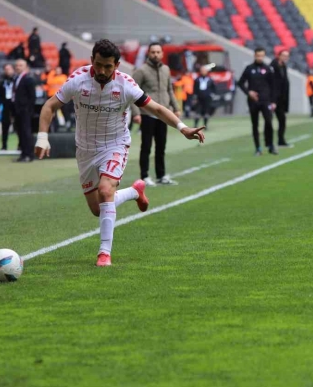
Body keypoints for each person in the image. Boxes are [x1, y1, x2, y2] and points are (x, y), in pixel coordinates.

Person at [34, 39, 205, 267]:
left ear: (117, 64)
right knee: (98, 209)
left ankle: (104, 253)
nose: (102, 71)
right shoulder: (78, 80)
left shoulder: (126, 85)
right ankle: (135, 192)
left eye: (108, 66)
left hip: (115, 145)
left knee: (106, 191)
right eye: (98, 65)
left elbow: (155, 108)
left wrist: (183, 128)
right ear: (92, 60)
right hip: (85, 149)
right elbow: (49, 106)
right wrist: (42, 138)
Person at [130, 42, 181, 187]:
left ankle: (161, 175)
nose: (156, 55)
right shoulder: (141, 71)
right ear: (148, 54)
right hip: (147, 113)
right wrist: (136, 113)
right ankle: (144, 176)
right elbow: (132, 92)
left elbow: (169, 90)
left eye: (158, 52)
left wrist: (175, 108)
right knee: (146, 146)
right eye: (153, 52)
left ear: (162, 54)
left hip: (163, 113)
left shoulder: (166, 69)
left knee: (161, 146)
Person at [238, 47, 277, 156]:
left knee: (269, 122)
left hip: (266, 100)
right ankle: (258, 148)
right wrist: (248, 92)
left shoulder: (268, 69)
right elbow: (240, 83)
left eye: (262, 56)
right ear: (255, 56)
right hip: (253, 101)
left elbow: (273, 86)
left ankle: (270, 145)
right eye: (258, 55)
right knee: (255, 124)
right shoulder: (249, 68)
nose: (260, 58)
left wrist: (273, 101)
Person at [12, 59, 36, 162]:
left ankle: (29, 154)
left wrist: (28, 109)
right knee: (20, 132)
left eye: (20, 65)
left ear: (25, 67)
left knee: (26, 132)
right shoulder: (16, 78)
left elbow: (32, 97)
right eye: (17, 65)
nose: (18, 67)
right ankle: (23, 153)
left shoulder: (28, 79)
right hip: (18, 110)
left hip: (25, 110)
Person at [271, 49, 291, 147]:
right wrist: (273, 100)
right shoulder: (273, 66)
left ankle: (281, 140)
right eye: (283, 55)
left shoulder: (283, 66)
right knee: (269, 120)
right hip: (274, 99)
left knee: (282, 120)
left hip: (282, 99)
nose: (285, 58)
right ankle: (270, 142)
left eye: (287, 56)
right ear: (278, 55)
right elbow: (273, 85)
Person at [0, 63, 15, 150]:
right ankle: (4, 145)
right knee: (5, 126)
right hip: (5, 104)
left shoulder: (16, 80)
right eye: (6, 69)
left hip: (15, 105)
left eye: (9, 69)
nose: (8, 71)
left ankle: (20, 145)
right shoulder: (2, 82)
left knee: (18, 126)